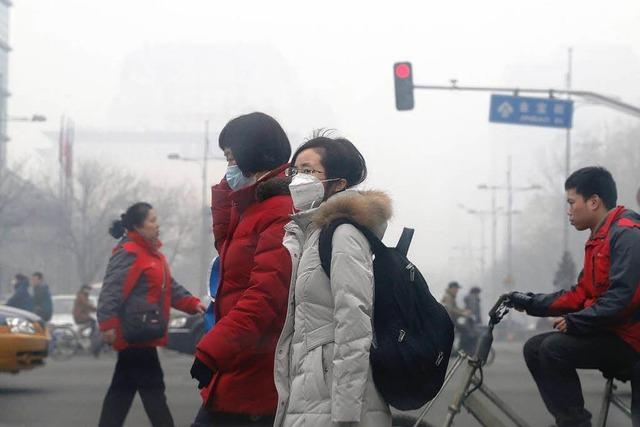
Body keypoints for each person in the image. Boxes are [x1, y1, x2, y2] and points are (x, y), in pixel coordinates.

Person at [273, 133, 393, 427]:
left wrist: (347, 415)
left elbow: (354, 322)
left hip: (335, 398)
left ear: (338, 184)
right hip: (311, 388)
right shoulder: (307, 234)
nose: (297, 179)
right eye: (294, 171)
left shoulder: (342, 235)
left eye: (308, 171)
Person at [507, 166, 640, 427]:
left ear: (594, 202)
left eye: (571, 203)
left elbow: (624, 297)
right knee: (534, 348)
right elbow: (581, 294)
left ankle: (577, 424)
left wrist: (578, 321)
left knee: (553, 350)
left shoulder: (626, 234)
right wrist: (530, 302)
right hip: (608, 331)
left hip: (629, 338)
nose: (569, 211)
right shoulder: (599, 238)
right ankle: (570, 421)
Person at [190, 112, 294, 426]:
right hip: (240, 365)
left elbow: (263, 297)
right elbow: (227, 253)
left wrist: (212, 352)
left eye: (231, 159)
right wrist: (227, 197)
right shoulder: (254, 208)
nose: (229, 169)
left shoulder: (279, 213)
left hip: (254, 373)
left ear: (253, 155)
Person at [97, 202, 204, 427]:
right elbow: (111, 290)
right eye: (152, 221)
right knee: (153, 391)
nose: (157, 225)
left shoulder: (154, 255)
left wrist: (193, 304)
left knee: (122, 391)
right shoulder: (129, 252)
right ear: (137, 225)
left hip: (143, 333)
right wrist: (107, 325)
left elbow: (170, 287)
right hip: (135, 334)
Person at [73, 284, 101, 356]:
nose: (89, 291)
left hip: (82, 315)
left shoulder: (84, 295)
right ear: (84, 289)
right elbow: (86, 304)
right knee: (93, 323)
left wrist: (94, 309)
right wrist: (96, 309)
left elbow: (87, 306)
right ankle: (85, 335)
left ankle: (83, 335)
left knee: (92, 323)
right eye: (88, 289)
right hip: (80, 316)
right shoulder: (81, 295)